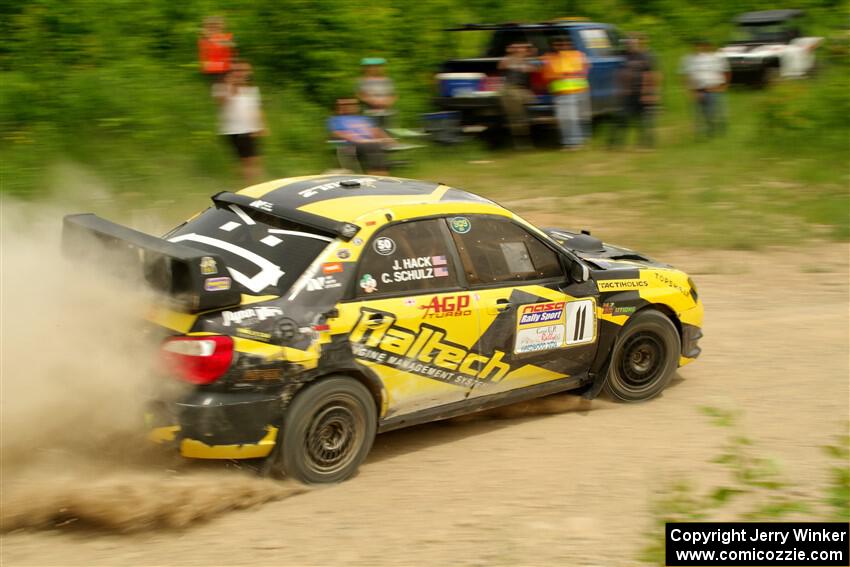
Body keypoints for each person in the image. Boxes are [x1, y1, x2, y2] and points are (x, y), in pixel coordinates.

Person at [213, 61, 267, 184]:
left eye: (245, 71)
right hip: (233, 130)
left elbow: (257, 108)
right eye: (239, 70)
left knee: (256, 160)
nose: (242, 73)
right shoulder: (221, 87)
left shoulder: (252, 89)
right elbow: (221, 103)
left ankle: (252, 185)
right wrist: (231, 86)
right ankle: (247, 186)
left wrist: (261, 126)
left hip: (250, 129)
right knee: (246, 161)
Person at [609, 33, 660, 149]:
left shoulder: (645, 56)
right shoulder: (623, 56)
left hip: (642, 92)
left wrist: (648, 93)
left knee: (644, 120)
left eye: (633, 43)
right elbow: (618, 73)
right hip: (627, 93)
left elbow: (652, 74)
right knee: (621, 118)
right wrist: (618, 89)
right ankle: (615, 144)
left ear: (637, 43)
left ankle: (647, 144)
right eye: (628, 43)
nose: (630, 45)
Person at [542, 36, 591, 150]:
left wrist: (565, 74)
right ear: (553, 45)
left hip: (580, 90)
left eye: (566, 43)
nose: (564, 46)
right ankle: (571, 143)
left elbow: (586, 69)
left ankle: (578, 142)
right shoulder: (548, 57)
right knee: (566, 119)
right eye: (559, 44)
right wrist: (567, 74)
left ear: (570, 44)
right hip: (562, 92)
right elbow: (548, 75)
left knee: (578, 118)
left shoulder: (578, 54)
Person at [328, 98, 394, 175]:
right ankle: (377, 174)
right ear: (339, 107)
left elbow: (376, 130)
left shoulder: (363, 118)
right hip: (351, 144)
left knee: (376, 146)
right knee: (374, 146)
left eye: (352, 105)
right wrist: (360, 140)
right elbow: (338, 133)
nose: (349, 107)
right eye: (344, 105)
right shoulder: (336, 119)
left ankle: (380, 174)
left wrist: (388, 139)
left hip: (369, 143)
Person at [680, 38, 730, 138]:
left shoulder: (716, 57)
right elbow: (687, 76)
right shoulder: (689, 59)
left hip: (714, 89)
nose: (701, 48)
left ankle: (715, 130)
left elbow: (726, 71)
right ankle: (700, 134)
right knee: (699, 113)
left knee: (714, 112)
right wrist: (691, 90)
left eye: (704, 46)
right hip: (699, 90)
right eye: (698, 46)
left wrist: (724, 85)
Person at [499, 42, 537, 149]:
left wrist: (531, 56)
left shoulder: (528, 61)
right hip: (511, 90)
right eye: (518, 47)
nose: (521, 49)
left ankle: (524, 140)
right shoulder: (508, 60)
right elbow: (502, 65)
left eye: (524, 48)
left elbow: (534, 69)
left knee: (523, 115)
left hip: (523, 91)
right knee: (517, 118)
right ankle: (522, 143)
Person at [357, 58, 397, 129]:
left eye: (378, 66)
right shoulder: (362, 81)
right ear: (366, 68)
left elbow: (393, 95)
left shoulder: (387, 80)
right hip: (369, 111)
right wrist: (373, 102)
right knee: (371, 131)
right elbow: (360, 95)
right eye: (371, 67)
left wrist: (388, 102)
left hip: (386, 111)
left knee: (387, 131)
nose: (375, 69)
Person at [198, 16, 235, 82]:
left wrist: (211, 36)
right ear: (206, 27)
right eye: (210, 25)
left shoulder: (228, 36)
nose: (213, 27)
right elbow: (204, 54)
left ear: (222, 26)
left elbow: (230, 45)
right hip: (212, 69)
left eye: (216, 24)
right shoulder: (203, 39)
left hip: (224, 68)